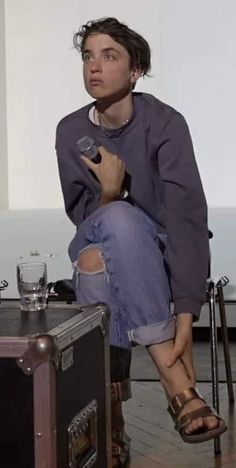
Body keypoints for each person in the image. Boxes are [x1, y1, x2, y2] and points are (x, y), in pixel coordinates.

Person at [55, 17, 226, 467]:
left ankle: (109, 420)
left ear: (135, 71)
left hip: (161, 256)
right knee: (117, 222)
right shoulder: (70, 131)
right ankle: (177, 384)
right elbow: (85, 217)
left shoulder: (166, 123)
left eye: (109, 56)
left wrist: (186, 314)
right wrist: (110, 194)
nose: (94, 66)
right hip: (103, 231)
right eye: (88, 56)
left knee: (94, 267)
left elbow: (188, 219)